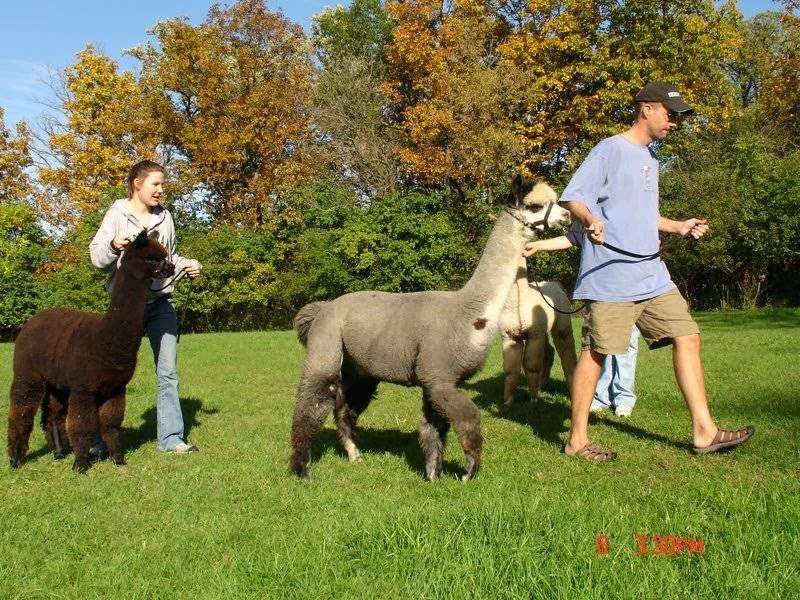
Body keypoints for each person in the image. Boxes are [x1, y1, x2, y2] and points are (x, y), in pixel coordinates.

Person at [552, 81, 754, 460]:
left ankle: (705, 432)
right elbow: (573, 196)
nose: (673, 121)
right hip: (611, 275)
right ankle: (577, 440)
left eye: (676, 115)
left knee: (688, 335)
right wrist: (590, 220)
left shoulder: (650, 160)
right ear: (646, 108)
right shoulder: (610, 150)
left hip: (651, 273)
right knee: (598, 352)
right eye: (669, 112)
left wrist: (678, 226)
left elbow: (642, 215)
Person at [89, 160, 203, 454]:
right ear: (137, 184)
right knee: (110, 373)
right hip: (126, 310)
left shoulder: (165, 219)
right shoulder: (117, 214)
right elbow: (97, 259)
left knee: (167, 372)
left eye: (162, 185)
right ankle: (99, 439)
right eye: (156, 184)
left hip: (160, 304)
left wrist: (188, 264)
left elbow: (169, 258)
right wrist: (114, 245)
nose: (160, 190)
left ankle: (171, 439)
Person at [523, 236, 640, 417]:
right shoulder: (591, 216)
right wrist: (539, 245)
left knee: (628, 343)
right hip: (602, 288)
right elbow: (572, 236)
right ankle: (600, 395)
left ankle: (623, 397)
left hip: (632, 284)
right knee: (601, 343)